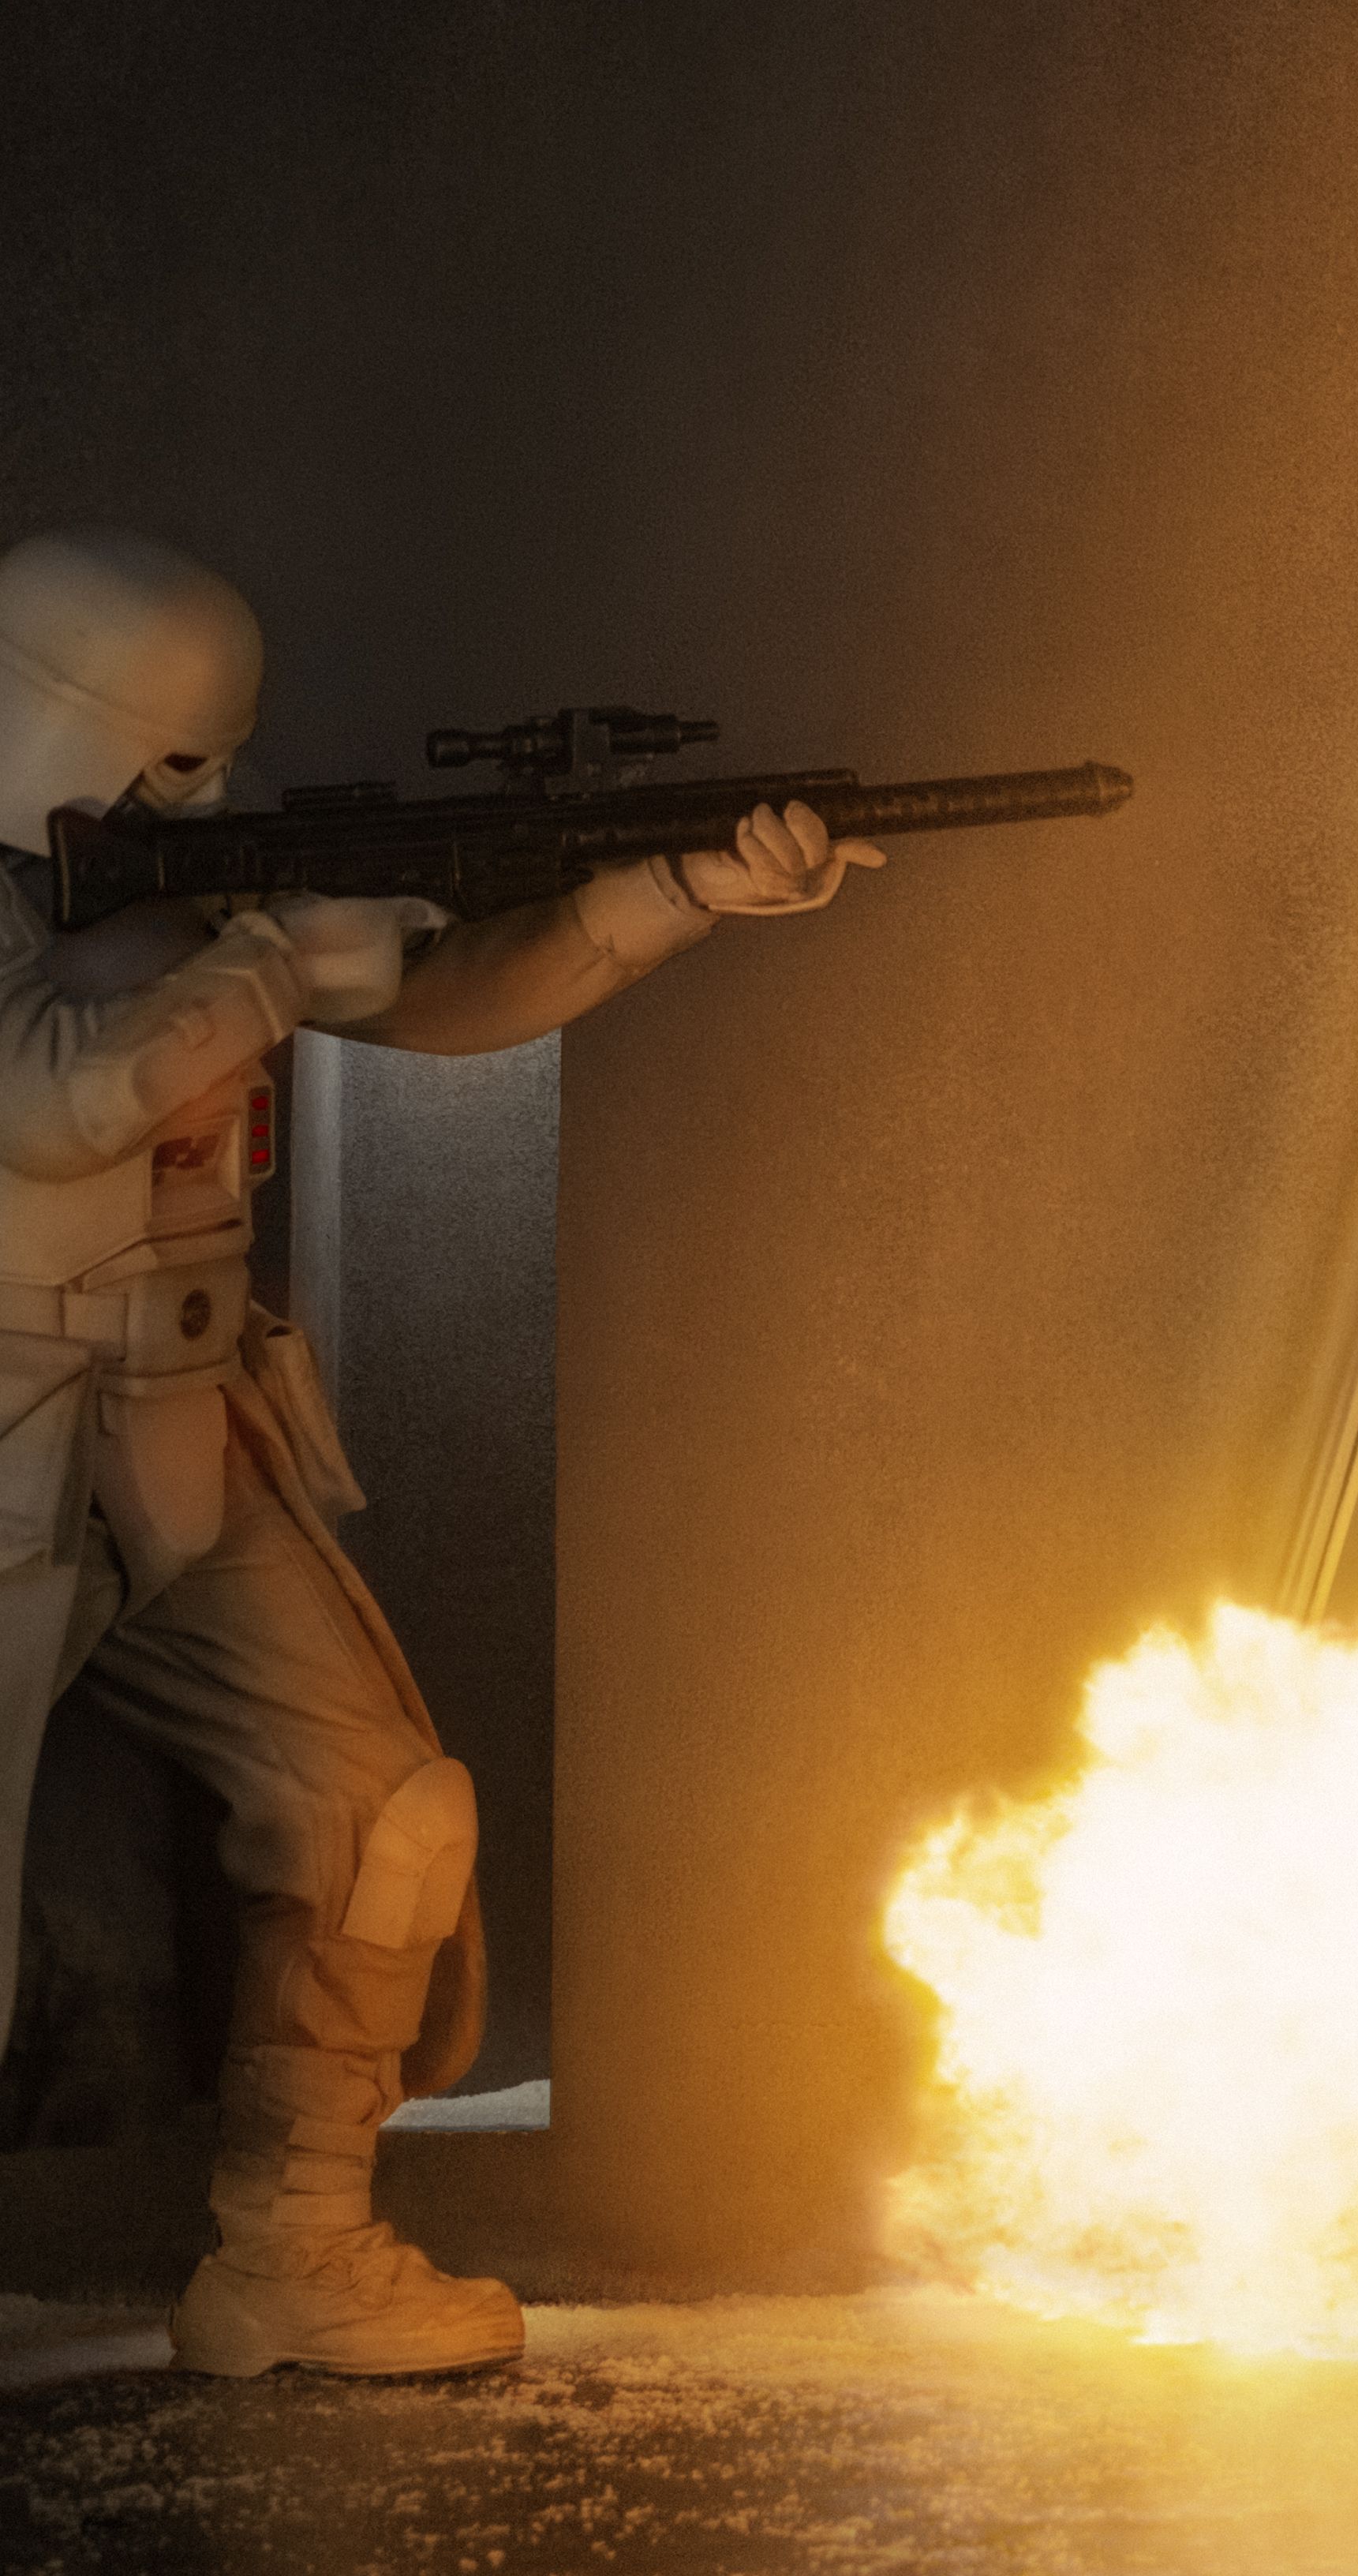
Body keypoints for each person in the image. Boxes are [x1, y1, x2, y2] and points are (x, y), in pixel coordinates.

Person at [0, 526, 877, 2376]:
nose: (209, 799)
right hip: (11, 1436)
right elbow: (52, 1100)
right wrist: (262, 967)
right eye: (174, 762)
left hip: (177, 1432)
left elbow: (450, 987)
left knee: (382, 1812)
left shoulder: (186, 891)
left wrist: (674, 888)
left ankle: (294, 2249)